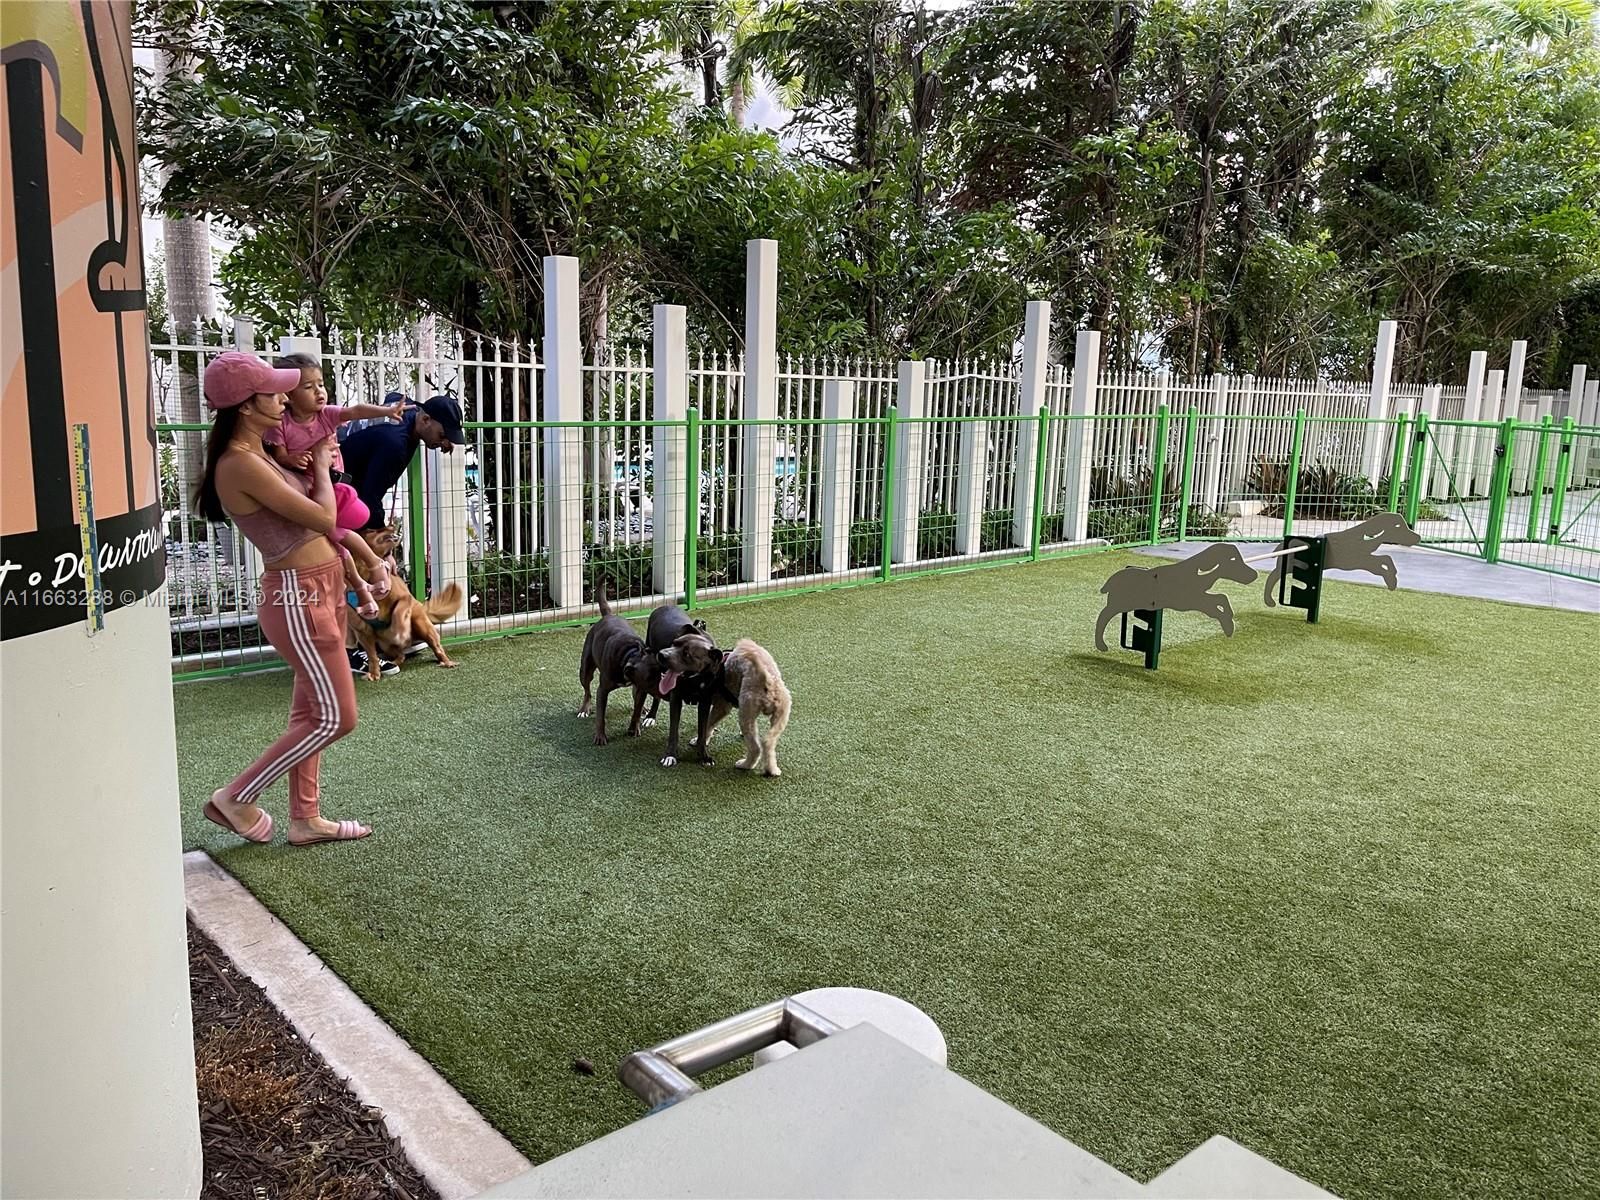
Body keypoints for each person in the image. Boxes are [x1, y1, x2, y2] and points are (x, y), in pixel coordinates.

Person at [193, 351, 372, 847]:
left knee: (309, 716)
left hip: (323, 586)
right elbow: (321, 517)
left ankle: (305, 820)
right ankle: (234, 796)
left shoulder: (262, 455)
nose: (283, 398)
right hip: (298, 598)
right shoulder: (240, 465)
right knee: (337, 717)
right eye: (272, 391)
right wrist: (318, 465)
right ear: (248, 406)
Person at [262, 354, 403, 618]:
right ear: (287, 395)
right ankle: (363, 587)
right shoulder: (282, 424)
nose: (319, 392)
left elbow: (356, 410)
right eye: (309, 387)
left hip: (336, 490)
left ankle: (373, 566)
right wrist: (292, 458)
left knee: (336, 532)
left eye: (321, 384)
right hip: (309, 493)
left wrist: (385, 412)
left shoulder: (325, 416)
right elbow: (280, 456)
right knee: (334, 540)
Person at [339, 393, 465, 530]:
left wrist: (442, 440)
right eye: (442, 435)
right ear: (425, 420)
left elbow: (393, 396)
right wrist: (381, 533)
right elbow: (370, 499)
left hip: (337, 442)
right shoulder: (396, 446)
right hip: (335, 475)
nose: (444, 442)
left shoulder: (406, 407)